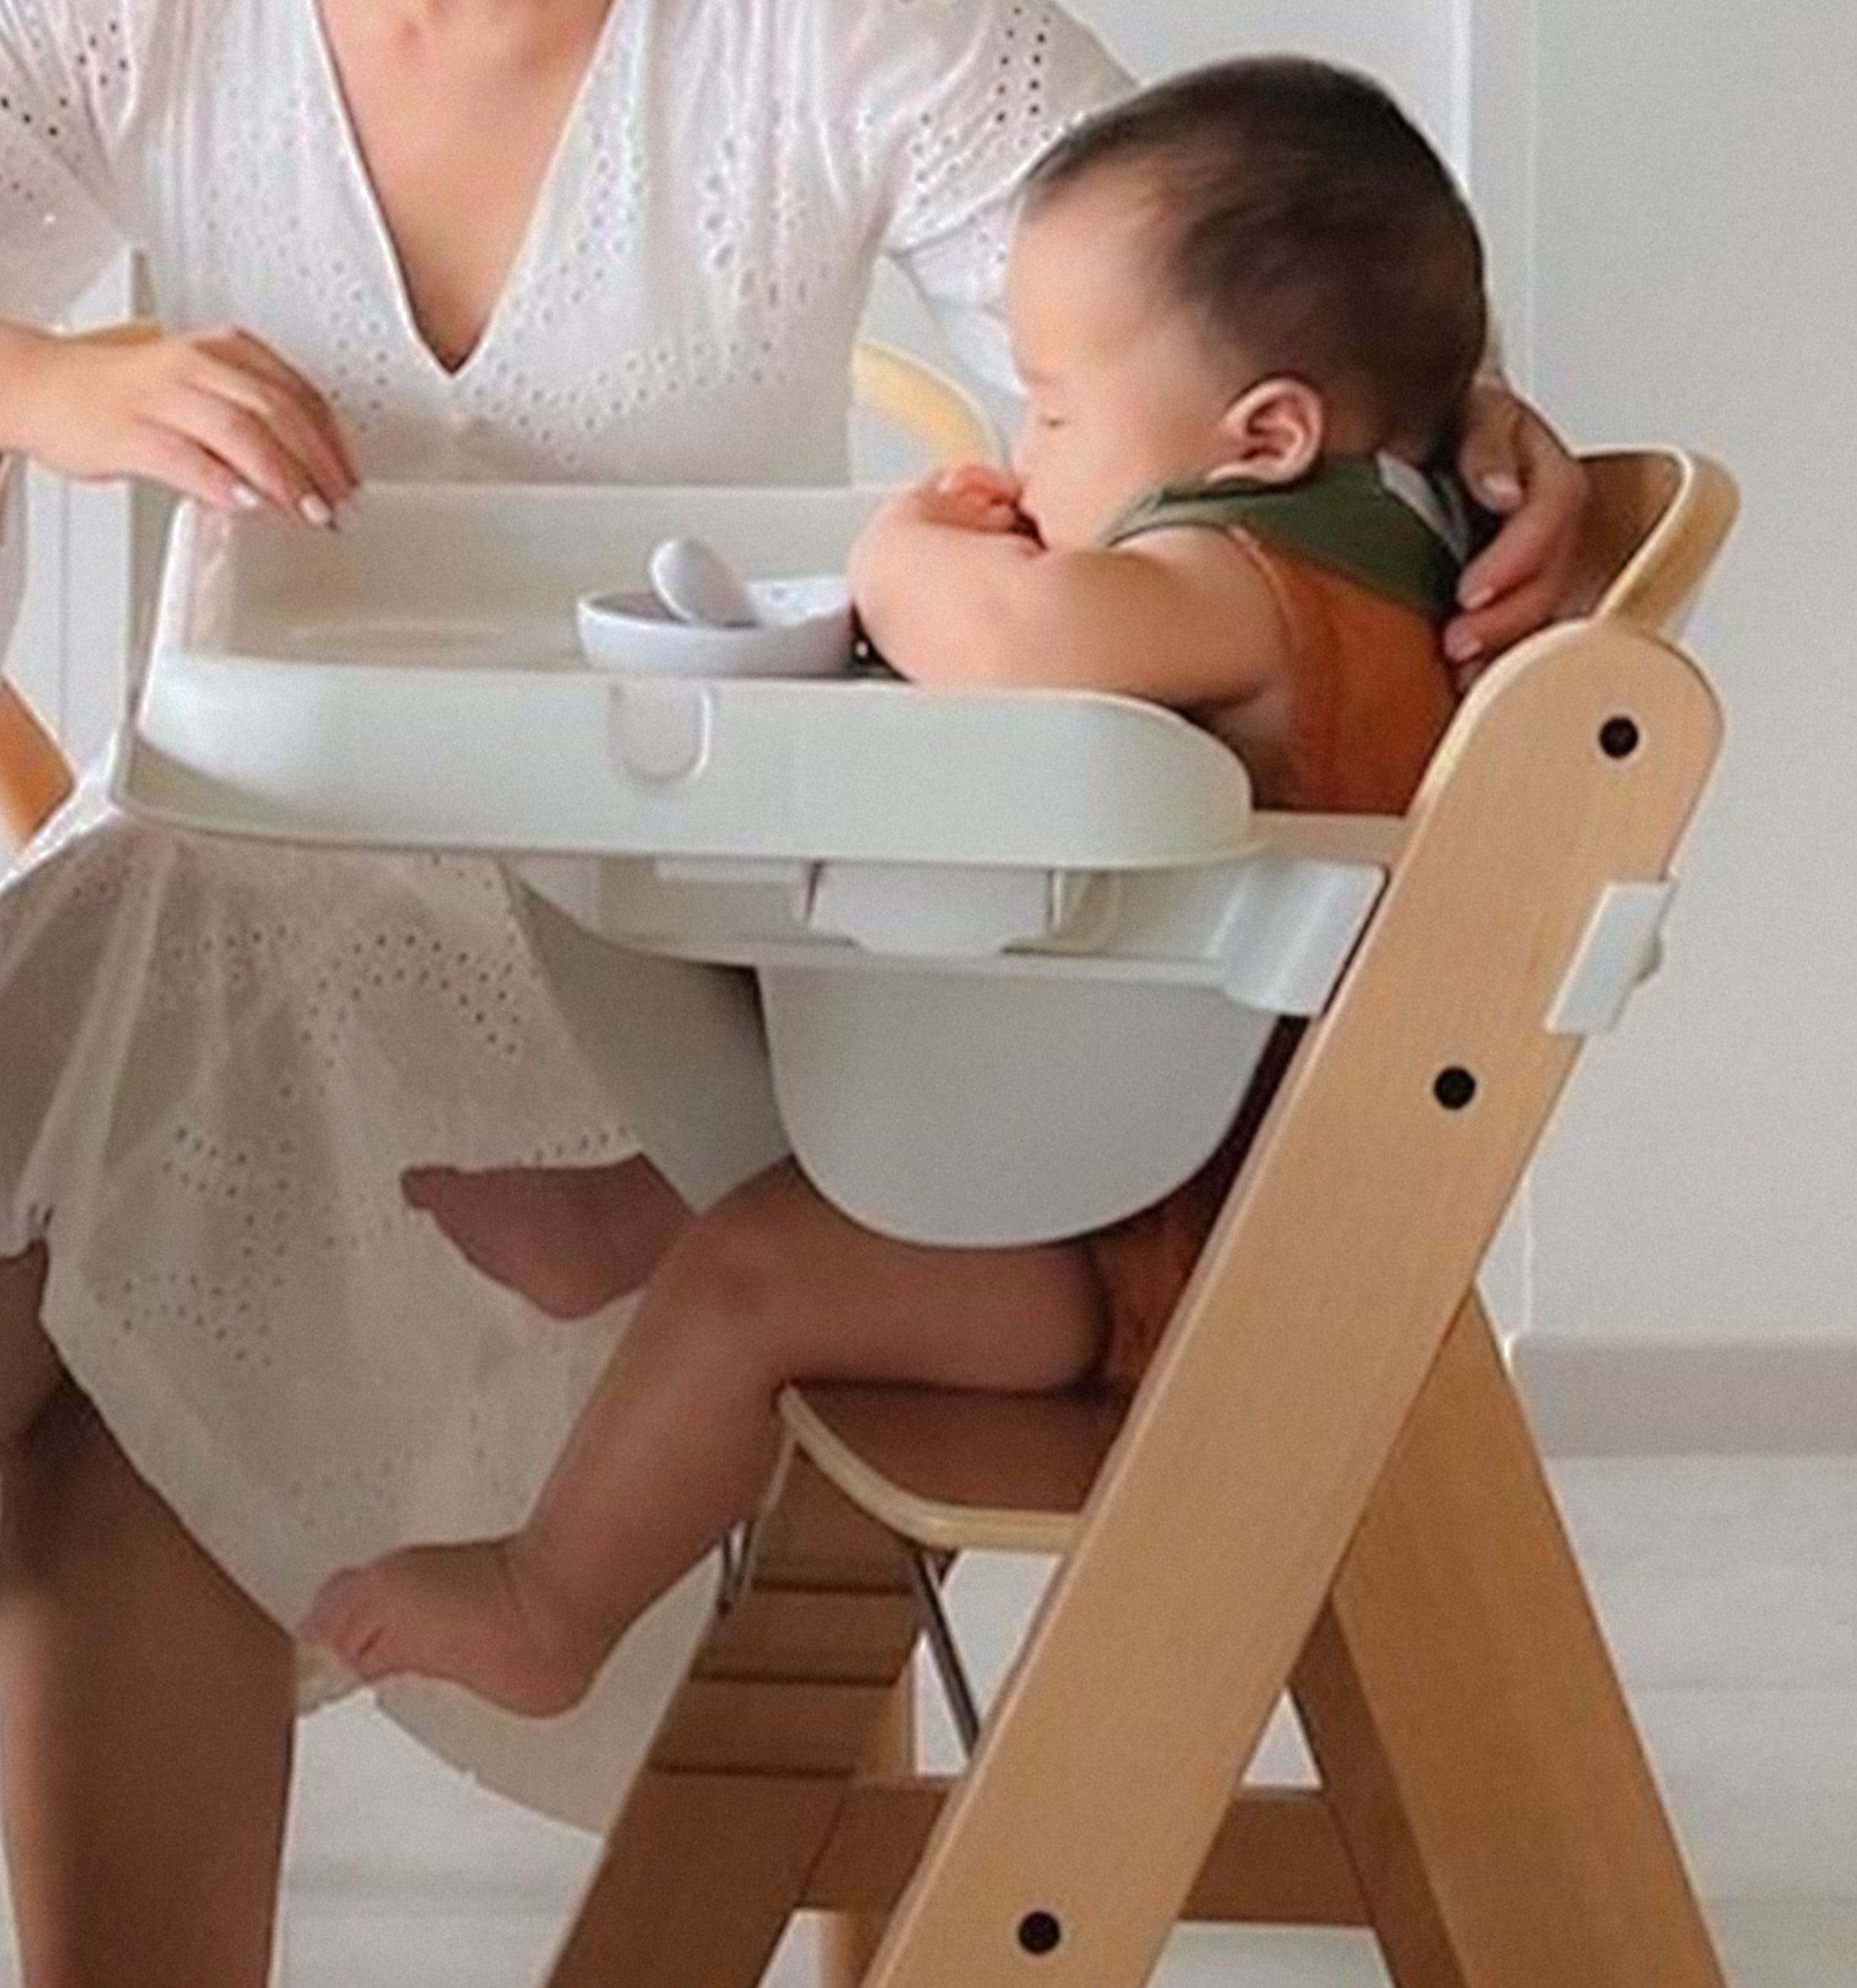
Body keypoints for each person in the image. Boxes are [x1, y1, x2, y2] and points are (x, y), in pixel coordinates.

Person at [0, 5, 1591, 1984]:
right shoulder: (148, 21)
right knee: (163, 1048)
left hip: (662, 1004)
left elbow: (1224, 310)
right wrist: (43, 385)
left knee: (142, 986)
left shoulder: (842, 33)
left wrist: (1462, 432)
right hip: (245, 952)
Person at [305, 54, 1497, 1715]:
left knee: (757, 1276)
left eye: (1057, 408)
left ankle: (547, 1596)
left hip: (1152, 1246)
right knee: (816, 1040)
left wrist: (899, 554)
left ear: (1265, 434)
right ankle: (615, 1213)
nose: (1027, 445)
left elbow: (1010, 647)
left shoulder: (1246, 578)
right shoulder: (1359, 536)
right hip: (1119, 1155)